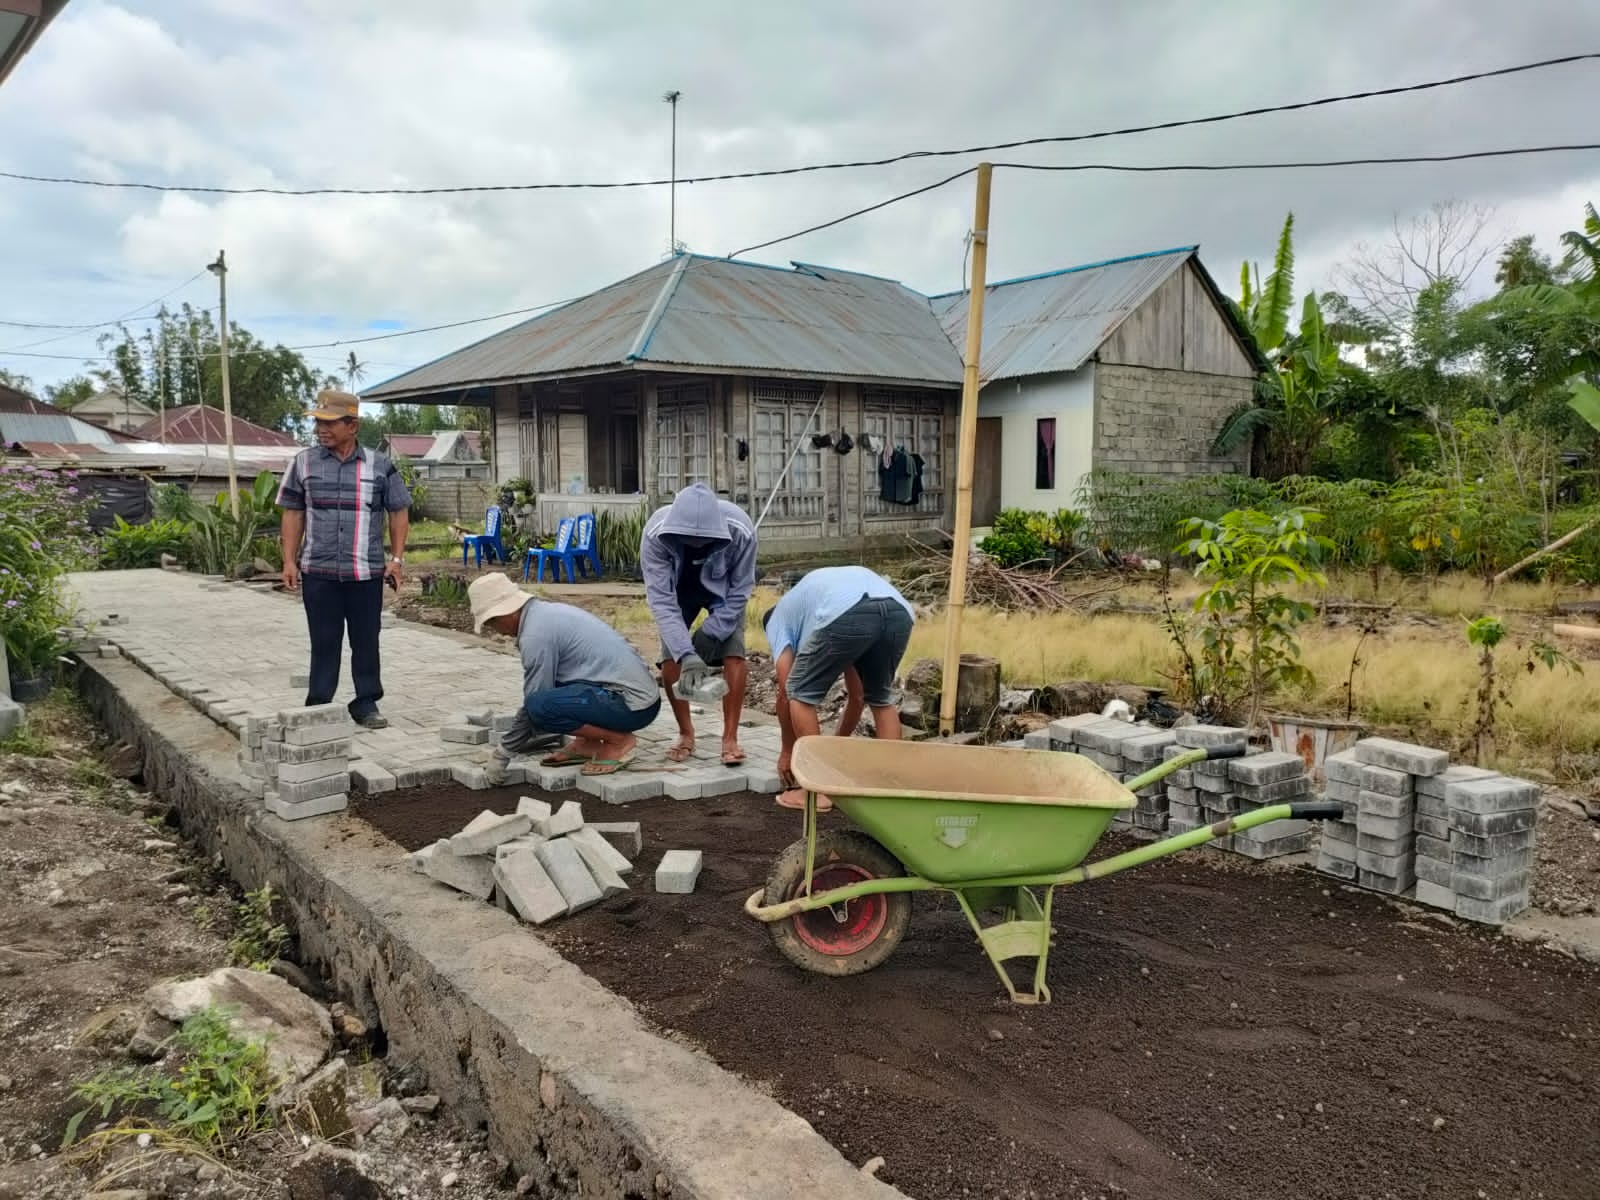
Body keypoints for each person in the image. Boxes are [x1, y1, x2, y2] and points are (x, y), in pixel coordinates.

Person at [278, 389, 410, 730]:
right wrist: (289, 560)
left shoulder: (379, 465)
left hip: (364, 571)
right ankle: (319, 701)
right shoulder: (303, 462)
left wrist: (396, 559)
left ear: (352, 425)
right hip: (318, 570)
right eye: (318, 422)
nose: (321, 429)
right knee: (323, 640)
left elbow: (398, 511)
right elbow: (293, 512)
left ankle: (365, 703)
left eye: (329, 423)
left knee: (366, 639)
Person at [469, 573, 662, 776]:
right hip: (635, 697)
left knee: (540, 707)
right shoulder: (543, 614)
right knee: (553, 687)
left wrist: (503, 753)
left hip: (633, 706)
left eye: (492, 623)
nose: (496, 630)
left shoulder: (536, 635)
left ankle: (618, 741)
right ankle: (588, 743)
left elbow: (533, 705)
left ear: (506, 613)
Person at [763, 566, 916, 810]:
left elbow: (786, 692)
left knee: (800, 693)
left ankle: (817, 791)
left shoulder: (777, 619)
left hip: (848, 609)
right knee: (880, 697)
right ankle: (892, 789)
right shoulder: (813, 609)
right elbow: (857, 698)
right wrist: (833, 753)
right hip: (898, 610)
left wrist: (787, 752)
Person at [640, 481, 757, 766]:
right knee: (671, 660)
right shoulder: (655, 536)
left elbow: (742, 588)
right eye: (686, 538)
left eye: (704, 539)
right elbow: (662, 601)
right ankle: (686, 733)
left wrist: (713, 632)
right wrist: (686, 651)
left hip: (725, 592)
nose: (695, 543)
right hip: (678, 592)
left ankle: (730, 738)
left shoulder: (741, 530)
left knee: (734, 655)